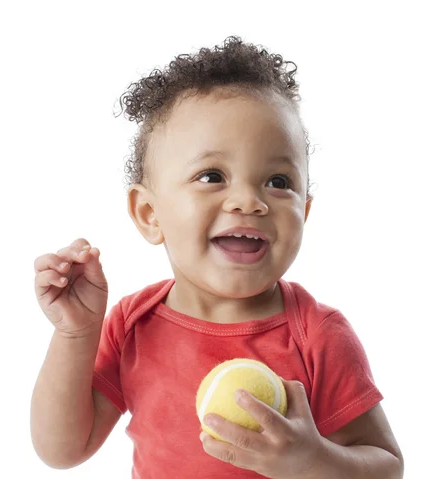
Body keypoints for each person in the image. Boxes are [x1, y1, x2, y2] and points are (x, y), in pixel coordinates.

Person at [30, 36, 404, 479]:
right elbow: (63, 450)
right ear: (150, 214)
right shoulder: (134, 325)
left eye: (279, 181)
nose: (249, 201)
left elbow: (386, 467)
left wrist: (312, 462)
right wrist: (76, 335)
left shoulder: (317, 334)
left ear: (304, 211)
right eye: (212, 176)